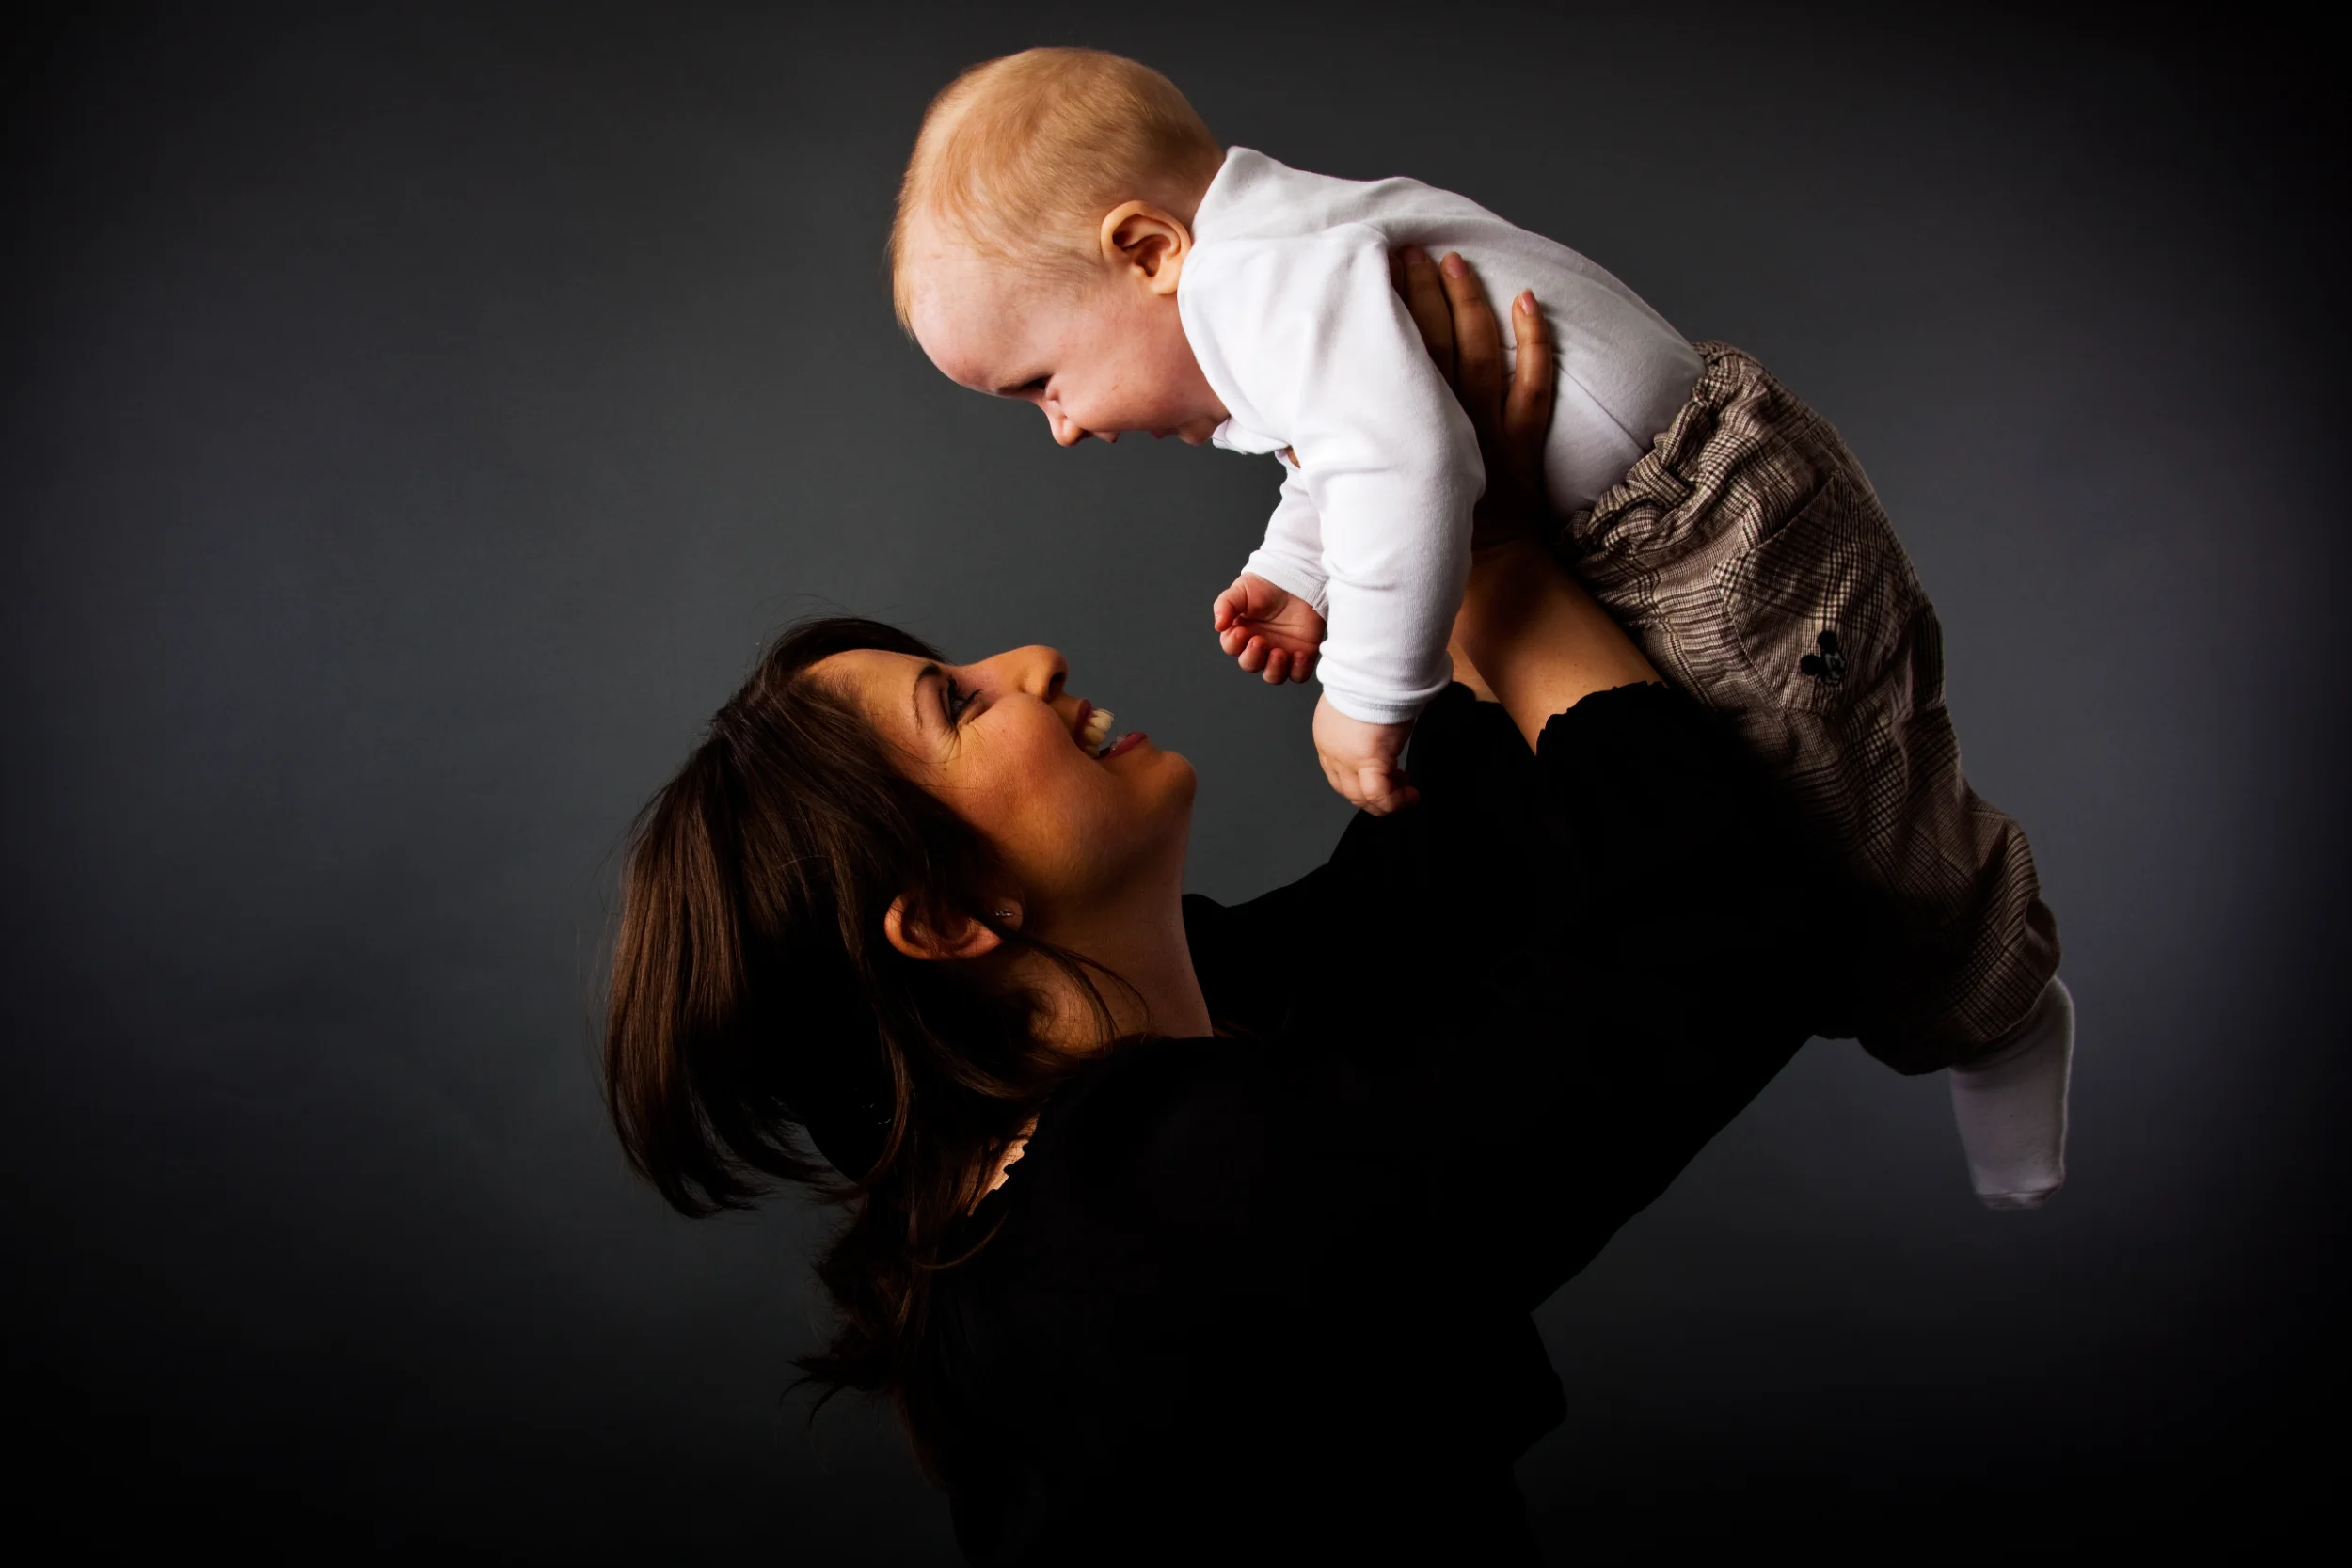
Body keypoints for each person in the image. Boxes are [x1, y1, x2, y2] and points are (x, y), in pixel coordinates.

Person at [609, 255, 1892, 1562]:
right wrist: (1495, 557)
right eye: (960, 703)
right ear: (946, 918)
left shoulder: (1180, 1028)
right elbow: (1723, 930)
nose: (1032, 660)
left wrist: (1425, 502)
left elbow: (1454, 871)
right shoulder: (1156, 1209)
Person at [888, 47, 2071, 1208]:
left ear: (1147, 251)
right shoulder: (1271, 269)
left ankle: (1997, 1010)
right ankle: (1951, 997)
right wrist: (1296, 570)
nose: (1063, 426)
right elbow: (1351, 448)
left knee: (1852, 816)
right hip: (1636, 539)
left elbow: (1410, 464)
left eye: (1042, 381)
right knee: (1773, 828)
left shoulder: (1264, 280)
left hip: (1703, 536)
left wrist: (1364, 694)